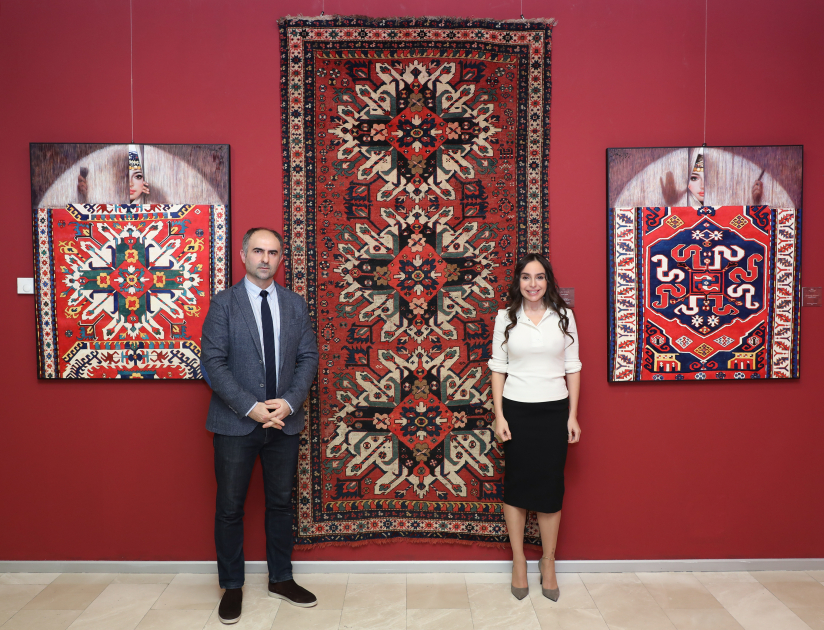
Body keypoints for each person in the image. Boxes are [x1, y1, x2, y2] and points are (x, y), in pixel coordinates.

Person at [201, 227, 319, 624]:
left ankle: (281, 579)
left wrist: (288, 403)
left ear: (281, 259)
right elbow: (213, 363)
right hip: (236, 423)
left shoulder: (295, 304)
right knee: (230, 508)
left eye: (272, 252)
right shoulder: (224, 303)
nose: (265, 259)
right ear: (243, 256)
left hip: (284, 422)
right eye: (258, 251)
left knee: (280, 505)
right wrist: (251, 408)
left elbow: (308, 358)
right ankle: (232, 586)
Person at [488, 252, 582, 602]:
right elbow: (498, 367)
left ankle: (548, 562)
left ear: (548, 281)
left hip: (554, 411)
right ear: (518, 281)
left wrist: (572, 416)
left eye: (539, 277)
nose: (533, 284)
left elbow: (573, 366)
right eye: (526, 277)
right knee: (517, 485)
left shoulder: (564, 316)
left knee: (550, 488)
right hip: (517, 410)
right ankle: (518, 561)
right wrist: (499, 415)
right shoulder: (505, 317)